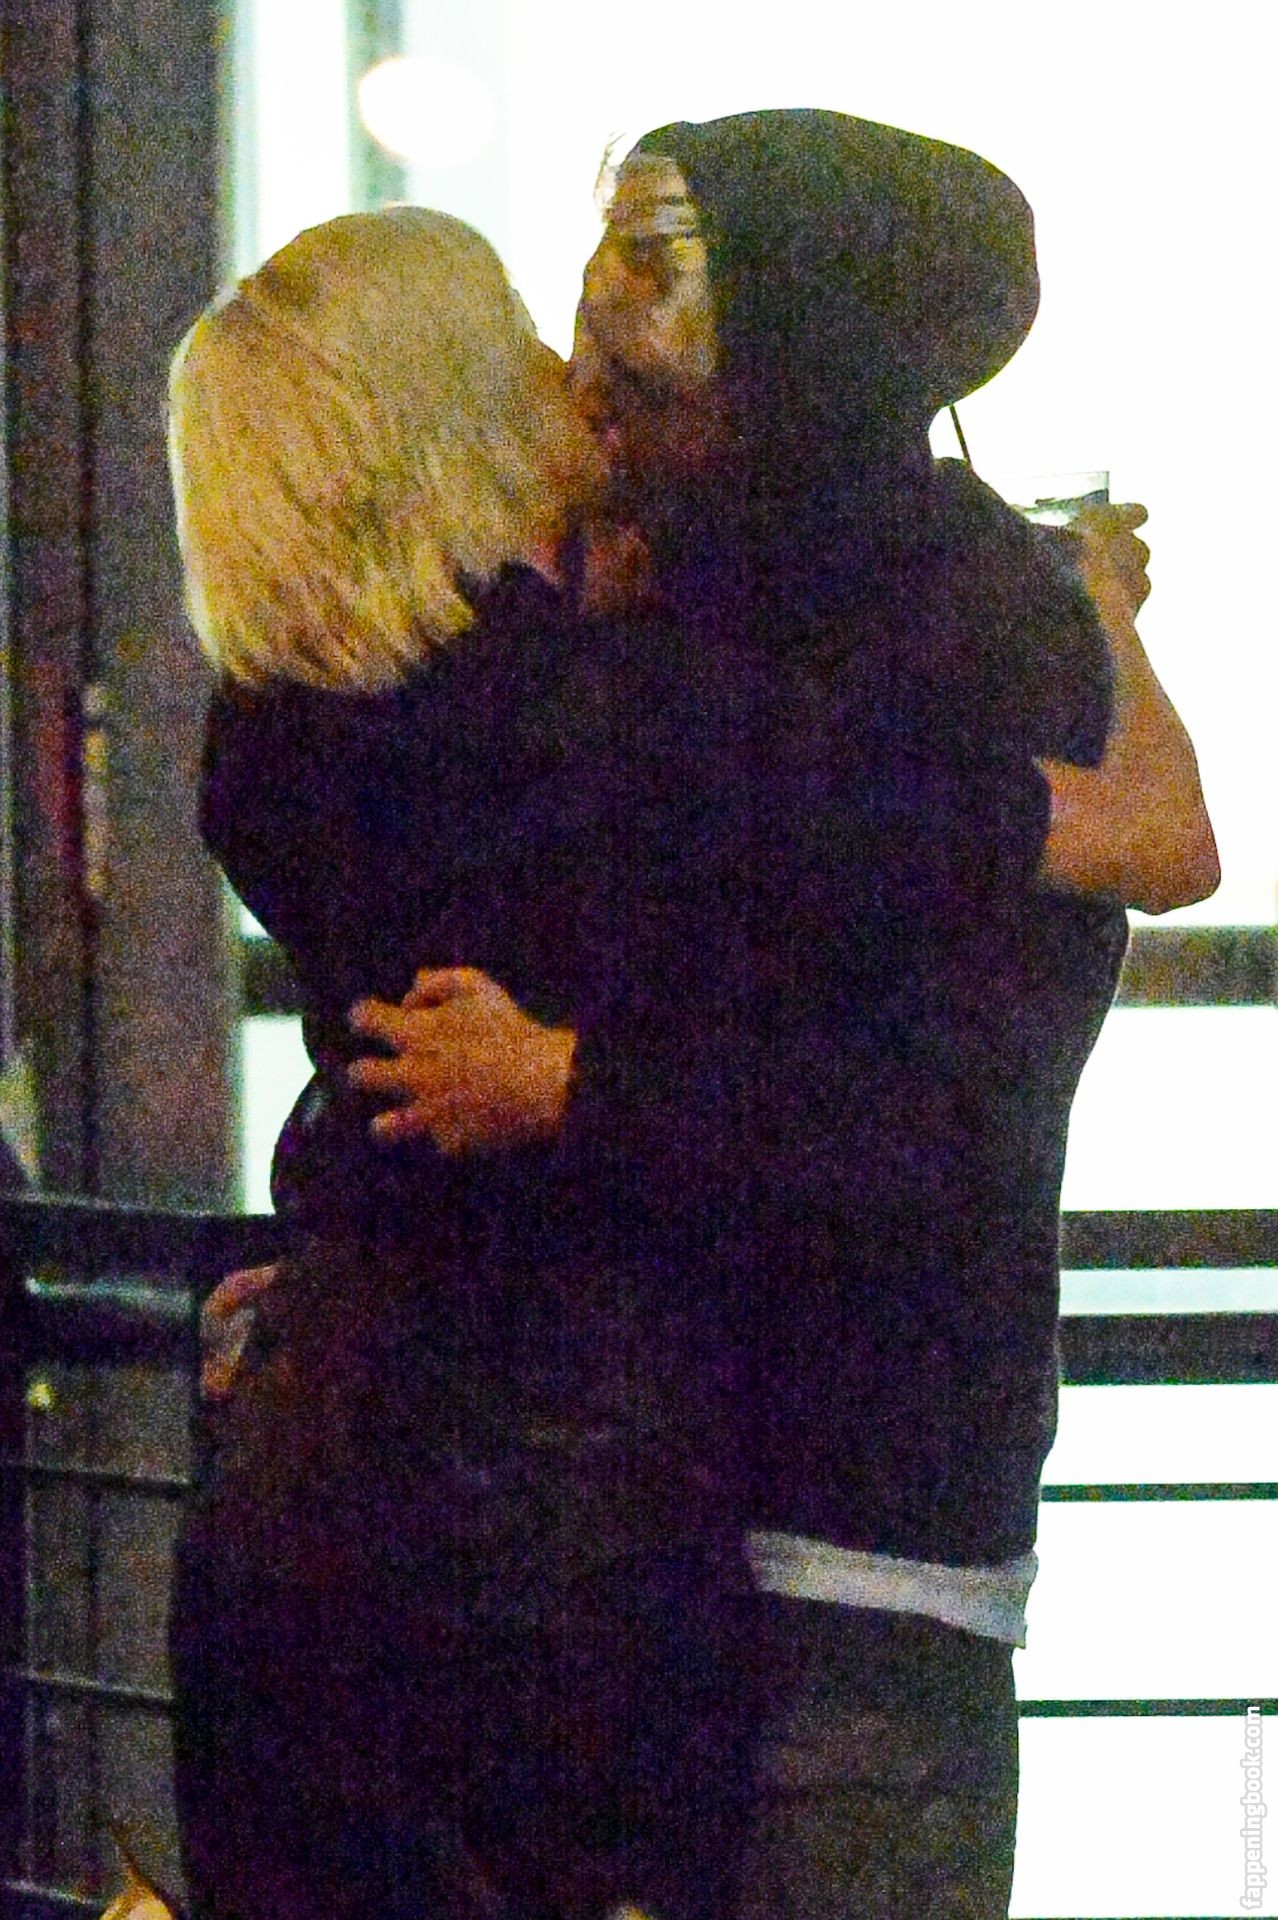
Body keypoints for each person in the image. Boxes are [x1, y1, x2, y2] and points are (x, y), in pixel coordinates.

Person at [345, 112, 1218, 1920]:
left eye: (648, 265)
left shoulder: (923, 631)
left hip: (838, 1517)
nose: (587, 334)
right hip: (666, 1507)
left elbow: (940, 1111)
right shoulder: (756, 602)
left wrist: (568, 1087)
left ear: (797, 325)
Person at [166, 205, 768, 1920]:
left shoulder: (269, 732)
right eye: (509, 328)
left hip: (315, 1443)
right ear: (441, 410)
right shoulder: (590, 716)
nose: (558, 367)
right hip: (553, 1476)